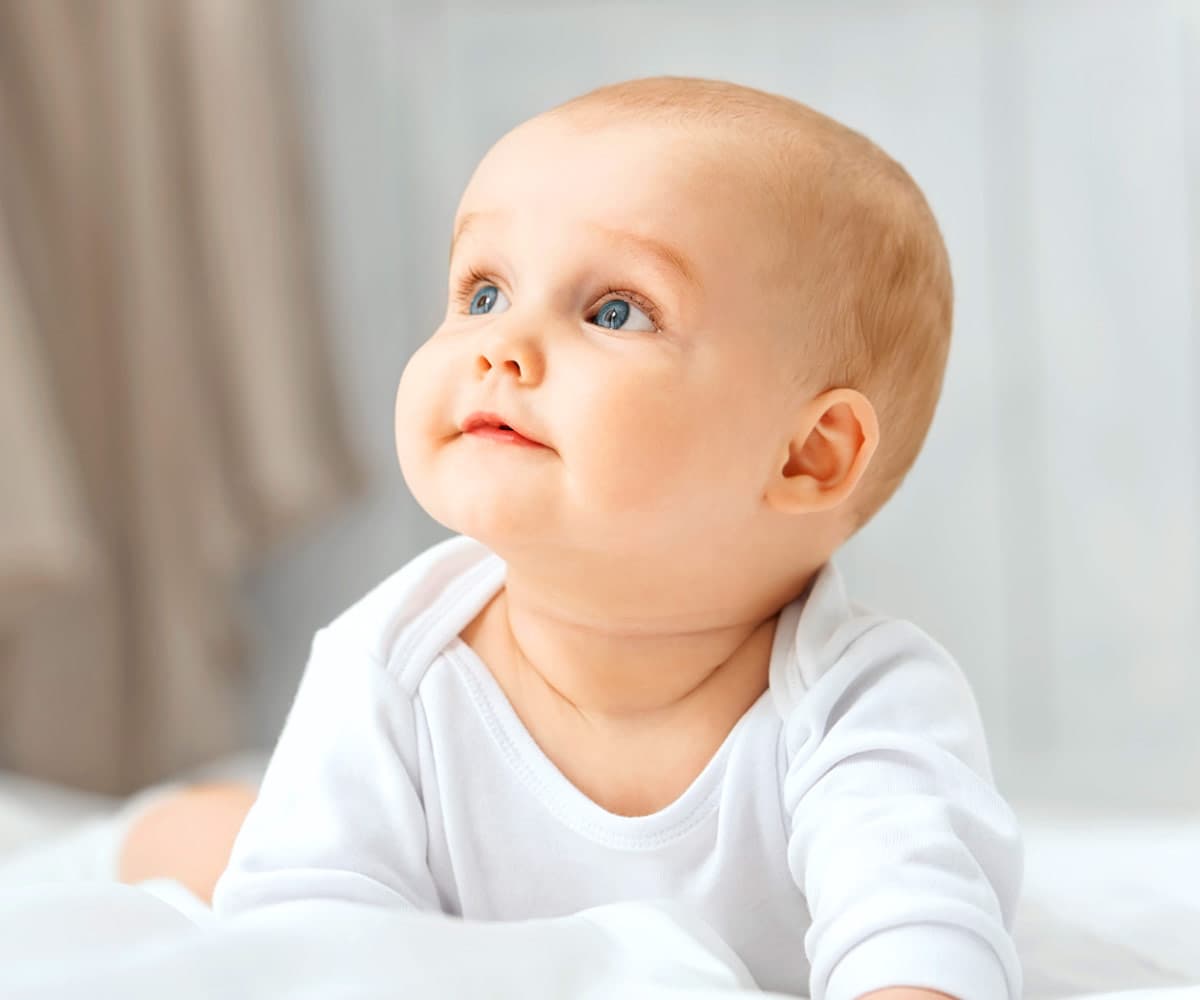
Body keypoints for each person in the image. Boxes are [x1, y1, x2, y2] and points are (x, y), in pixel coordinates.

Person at [125, 77, 1023, 1000]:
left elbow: (919, 932)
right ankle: (171, 825)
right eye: (482, 291)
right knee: (207, 845)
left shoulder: (860, 702)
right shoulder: (390, 666)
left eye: (615, 311)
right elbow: (312, 939)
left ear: (808, 456)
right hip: (431, 921)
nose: (501, 346)